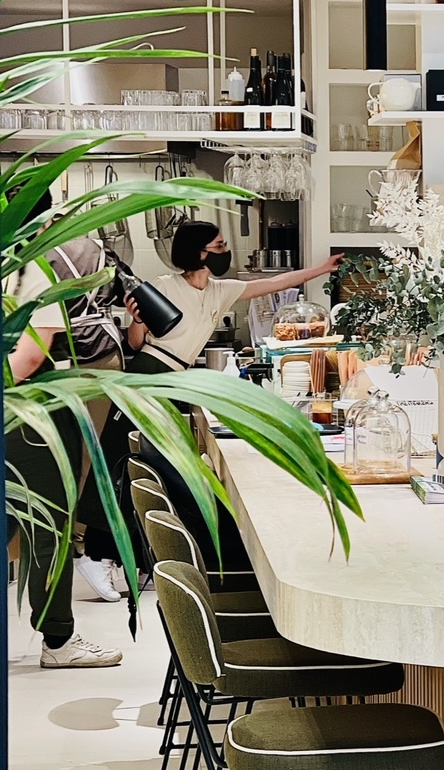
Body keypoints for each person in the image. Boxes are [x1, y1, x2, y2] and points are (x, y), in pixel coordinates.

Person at [79, 219, 342, 566]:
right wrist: (138, 320)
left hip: (176, 379)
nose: (225, 251)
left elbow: (272, 283)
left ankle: (129, 555)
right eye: (219, 246)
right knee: (120, 457)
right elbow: (136, 343)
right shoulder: (163, 286)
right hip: (148, 374)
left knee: (151, 465)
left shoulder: (220, 291)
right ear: (198, 253)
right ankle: (96, 555)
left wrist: (321, 268)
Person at [5, 208, 123, 668]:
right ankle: (58, 641)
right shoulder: (30, 266)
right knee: (48, 526)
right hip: (33, 410)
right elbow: (33, 352)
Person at [44, 231, 130, 604]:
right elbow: (127, 290)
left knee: (66, 459)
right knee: (88, 457)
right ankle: (79, 542)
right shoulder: (94, 247)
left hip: (64, 359)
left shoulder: (38, 255)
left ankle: (73, 543)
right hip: (103, 354)